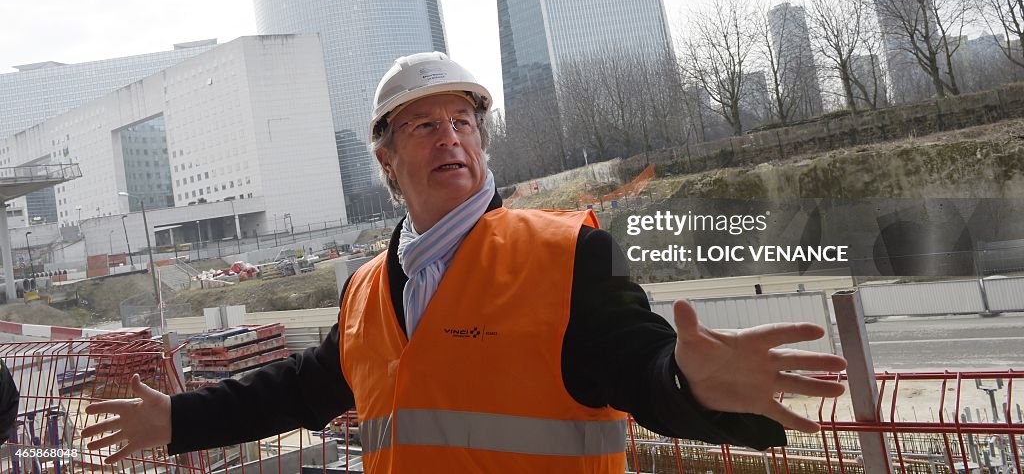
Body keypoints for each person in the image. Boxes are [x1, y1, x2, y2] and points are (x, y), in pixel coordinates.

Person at [85, 52, 846, 472]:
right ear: (387, 161)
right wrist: (177, 418)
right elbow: (292, 392)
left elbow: (635, 365)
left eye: (462, 122)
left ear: (481, 143)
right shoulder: (364, 291)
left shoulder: (573, 252)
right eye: (422, 125)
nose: (449, 137)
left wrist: (687, 384)